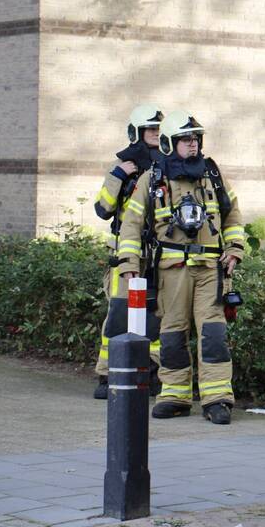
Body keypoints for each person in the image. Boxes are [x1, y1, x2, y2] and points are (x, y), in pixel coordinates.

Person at [117, 110, 245, 425]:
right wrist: (129, 264)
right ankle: (175, 396)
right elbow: (131, 224)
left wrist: (235, 249)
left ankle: (217, 399)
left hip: (209, 269)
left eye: (195, 139)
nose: (192, 145)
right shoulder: (153, 178)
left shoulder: (213, 174)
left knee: (213, 333)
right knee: (172, 334)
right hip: (170, 271)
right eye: (185, 139)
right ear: (168, 143)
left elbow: (233, 216)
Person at [92, 104, 165, 399]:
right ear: (136, 133)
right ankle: (108, 375)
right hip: (126, 255)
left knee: (155, 318)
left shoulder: (168, 167)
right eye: (151, 129)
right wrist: (118, 175)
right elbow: (102, 208)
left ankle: (153, 375)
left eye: (159, 129)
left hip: (158, 257)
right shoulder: (123, 168)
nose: (156, 134)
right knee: (119, 314)